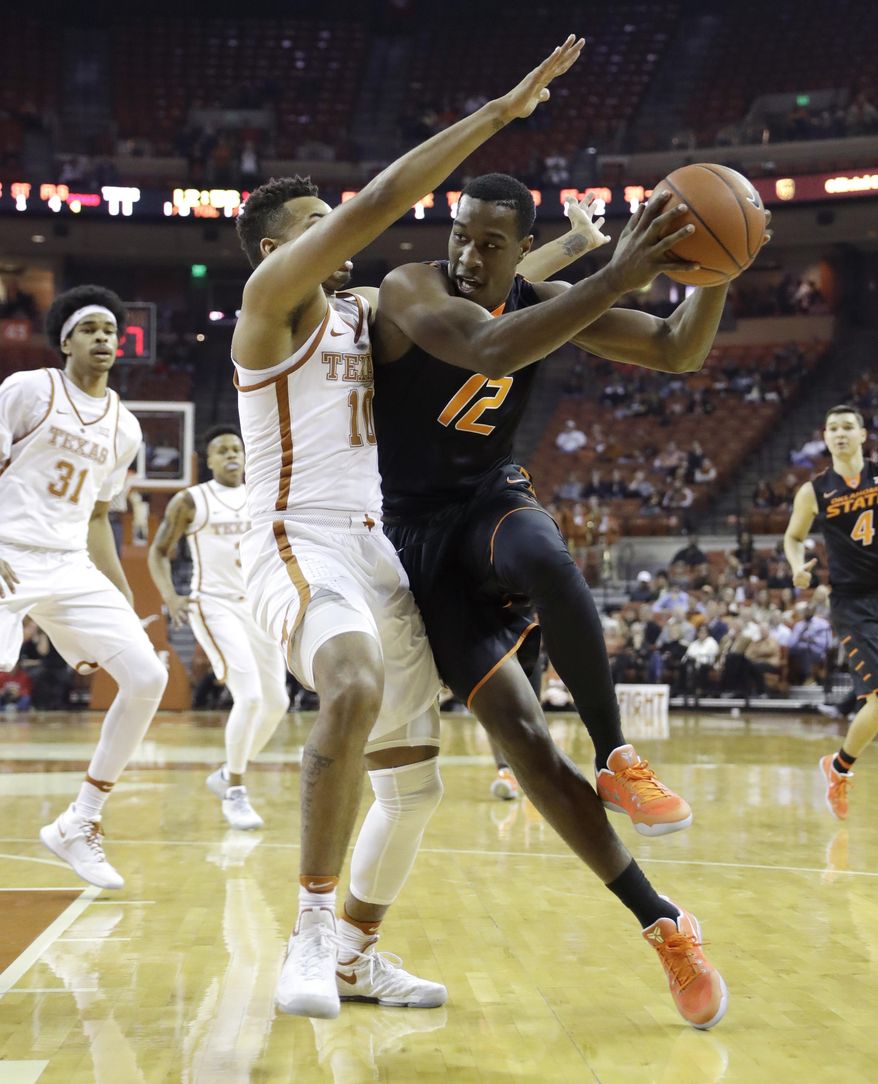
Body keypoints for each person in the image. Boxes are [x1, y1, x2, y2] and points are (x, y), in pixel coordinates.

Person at [230, 38, 588, 1020]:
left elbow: (479, 307)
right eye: (316, 226)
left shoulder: (356, 311)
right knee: (347, 681)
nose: (338, 237)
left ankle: (353, 948)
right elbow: (382, 200)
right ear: (275, 251)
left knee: (416, 786)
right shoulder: (268, 308)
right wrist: (497, 115)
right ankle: (303, 932)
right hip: (289, 536)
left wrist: (572, 251)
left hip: (371, 542)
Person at [371, 172, 756, 1028]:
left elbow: (676, 350)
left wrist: (712, 273)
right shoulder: (410, 289)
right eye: (462, 234)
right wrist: (615, 272)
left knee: (546, 553)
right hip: (416, 537)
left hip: (490, 502)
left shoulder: (549, 297)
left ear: (520, 245)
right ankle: (664, 922)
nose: (468, 253)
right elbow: (493, 349)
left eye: (491, 242)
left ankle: (620, 759)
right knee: (526, 743)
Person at [0, 285, 168, 889]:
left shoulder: (124, 426)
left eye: (110, 332)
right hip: (6, 555)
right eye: (90, 329)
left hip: (70, 564)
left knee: (148, 677)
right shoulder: (29, 390)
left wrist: (119, 597)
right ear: (65, 339)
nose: (103, 338)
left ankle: (80, 821)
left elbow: (100, 517)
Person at [148, 424, 289, 830]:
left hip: (257, 607)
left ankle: (228, 773)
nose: (231, 455)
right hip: (213, 605)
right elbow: (159, 553)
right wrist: (170, 596)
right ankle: (236, 792)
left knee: (276, 702)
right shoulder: (191, 500)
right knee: (249, 698)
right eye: (222, 450)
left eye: (236, 449)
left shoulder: (262, 497)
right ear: (208, 460)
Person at [784, 405, 878, 819]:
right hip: (853, 602)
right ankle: (839, 768)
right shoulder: (815, 490)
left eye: (848, 427)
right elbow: (793, 536)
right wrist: (796, 566)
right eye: (833, 429)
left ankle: (837, 766)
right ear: (825, 437)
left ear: (862, 434)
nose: (840, 434)